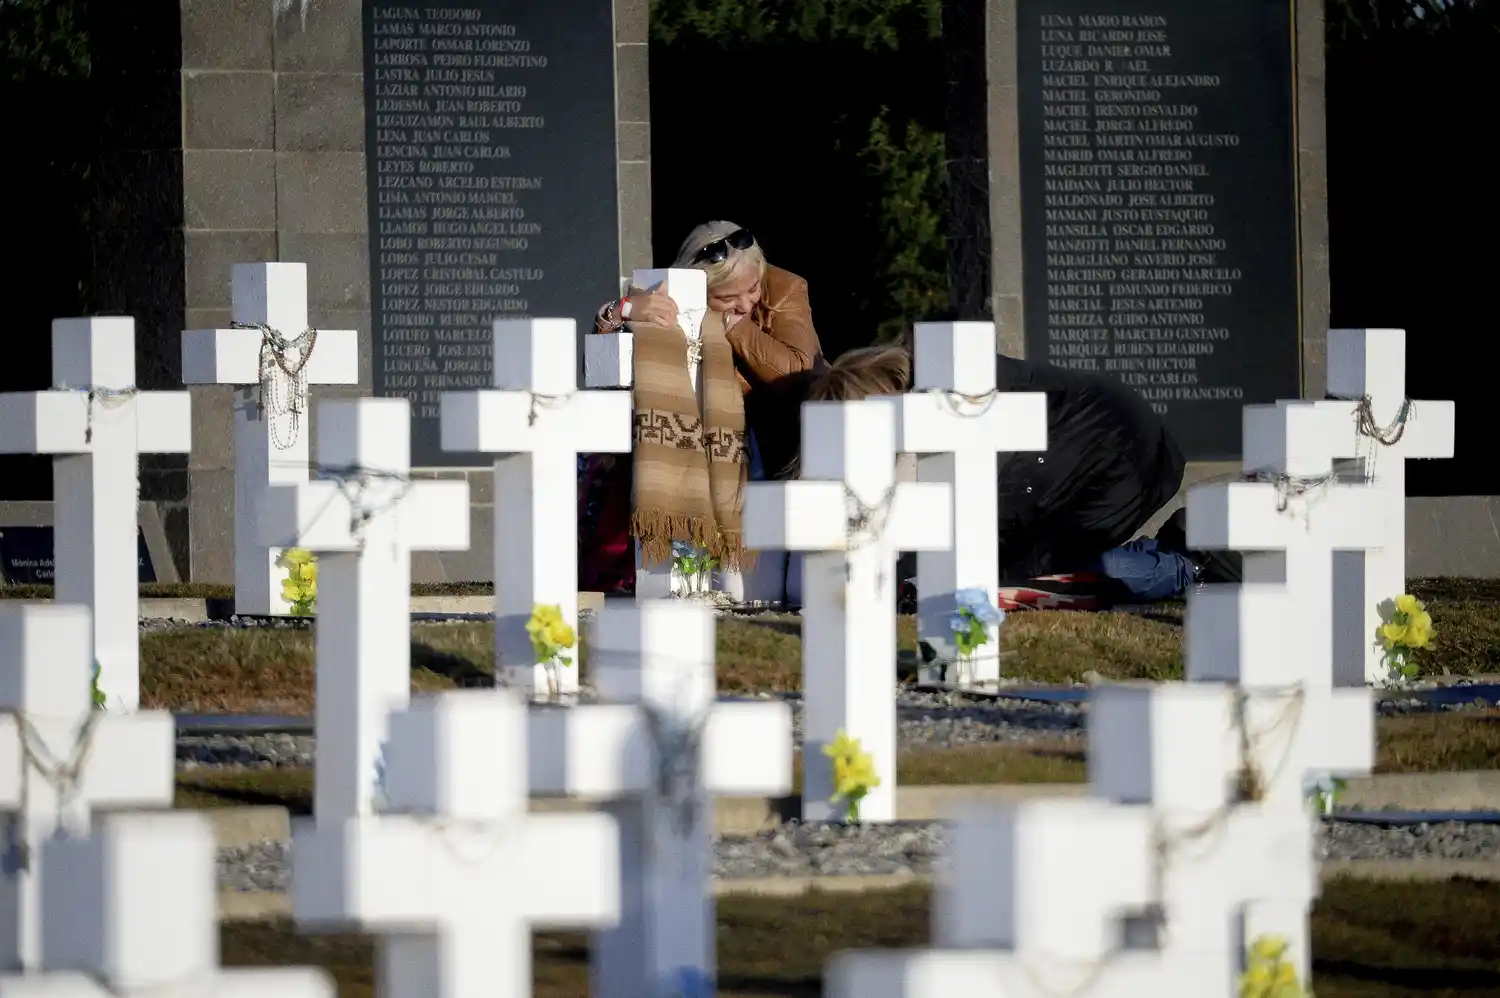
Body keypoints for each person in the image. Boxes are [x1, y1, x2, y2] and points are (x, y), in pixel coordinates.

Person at [786, 343, 1200, 610]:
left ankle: (1183, 564)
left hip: (1107, 458)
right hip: (1106, 439)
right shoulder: (927, 379)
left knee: (1020, 586)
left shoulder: (949, 406)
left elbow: (969, 527)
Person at [579, 222, 823, 596]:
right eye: (727, 298)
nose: (746, 303)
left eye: (753, 288)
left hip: (770, 449)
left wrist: (734, 325)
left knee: (753, 590)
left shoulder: (786, 289)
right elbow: (607, 372)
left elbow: (797, 371)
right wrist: (620, 311)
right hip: (687, 450)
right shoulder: (668, 298)